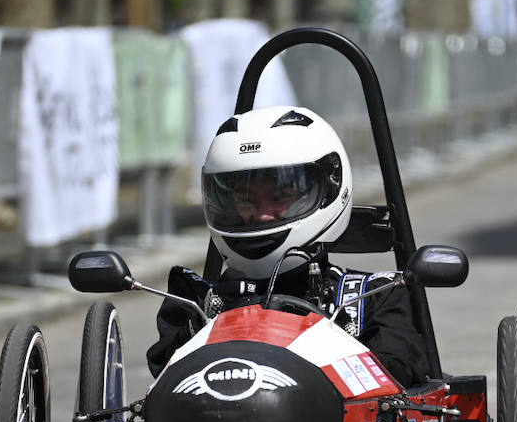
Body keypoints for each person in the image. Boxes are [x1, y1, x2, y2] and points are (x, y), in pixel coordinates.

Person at [146, 105, 429, 387]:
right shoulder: (196, 305)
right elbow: (166, 386)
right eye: (245, 201)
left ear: (329, 189)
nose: (263, 215)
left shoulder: (375, 298)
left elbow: (394, 377)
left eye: (281, 196)